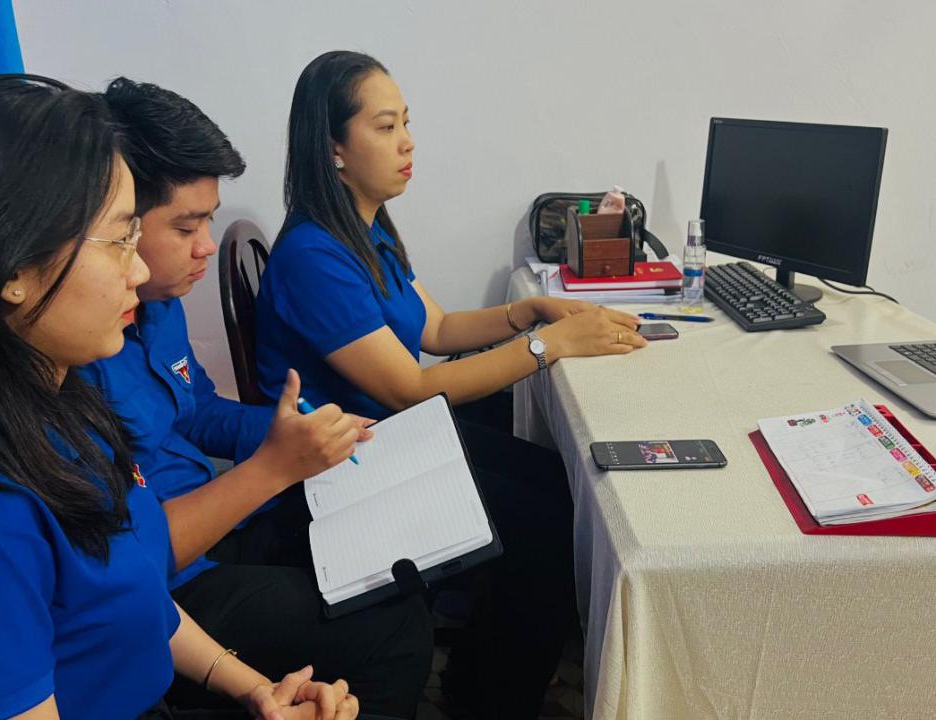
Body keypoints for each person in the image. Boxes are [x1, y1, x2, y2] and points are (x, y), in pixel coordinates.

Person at [0, 75, 355, 719]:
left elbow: (135, 586)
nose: (138, 271)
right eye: (119, 240)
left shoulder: (59, 405)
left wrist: (254, 690)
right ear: (11, 271)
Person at [253, 51, 646, 718]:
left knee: (558, 483)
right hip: (342, 467)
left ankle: (482, 673)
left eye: (406, 122)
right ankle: (493, 698)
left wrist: (528, 312)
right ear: (334, 150)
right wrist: (549, 345)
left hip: (387, 436)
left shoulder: (364, 227)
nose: (408, 143)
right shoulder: (314, 256)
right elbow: (411, 386)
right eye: (384, 127)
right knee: (547, 521)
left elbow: (433, 325)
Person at [83, 78, 432, 718]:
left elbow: (198, 410)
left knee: (389, 548)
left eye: (208, 221)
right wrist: (274, 465)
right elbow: (130, 558)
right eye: (183, 225)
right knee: (394, 624)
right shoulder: (77, 355)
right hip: (181, 577)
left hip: (220, 523)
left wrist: (291, 433)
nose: (205, 246)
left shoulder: (155, 305)